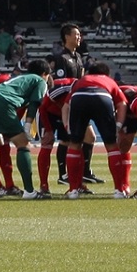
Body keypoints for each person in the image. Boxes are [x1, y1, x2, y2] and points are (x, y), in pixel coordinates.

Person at [0, 60, 52, 200]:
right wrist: (27, 126)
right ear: (45, 74)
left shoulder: (18, 78)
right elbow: (34, 104)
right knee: (23, 144)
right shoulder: (40, 80)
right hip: (1, 103)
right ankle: (29, 191)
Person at [61, 62, 128, 198]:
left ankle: (73, 190)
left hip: (79, 97)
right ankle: (119, 191)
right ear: (106, 74)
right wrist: (118, 126)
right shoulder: (109, 81)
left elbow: (65, 107)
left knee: (75, 144)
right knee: (111, 145)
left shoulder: (81, 81)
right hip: (102, 97)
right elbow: (122, 104)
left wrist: (67, 127)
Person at [52, 23, 102, 186]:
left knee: (90, 137)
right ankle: (62, 175)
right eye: (76, 34)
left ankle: (86, 172)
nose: (79, 37)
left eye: (80, 35)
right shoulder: (61, 58)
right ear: (67, 37)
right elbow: (60, 85)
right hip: (66, 106)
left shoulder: (78, 57)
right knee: (66, 140)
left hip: (78, 104)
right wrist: (64, 108)